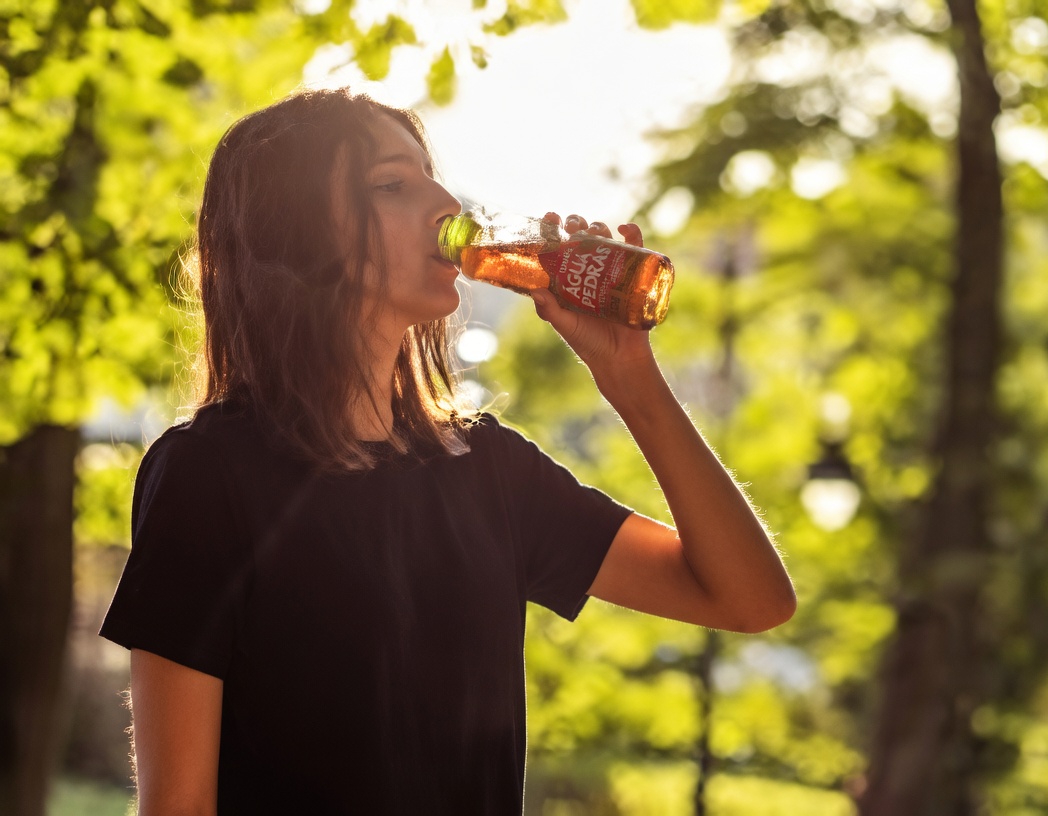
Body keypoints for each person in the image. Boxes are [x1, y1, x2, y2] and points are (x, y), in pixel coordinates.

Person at [99, 87, 794, 815]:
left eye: (432, 176)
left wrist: (631, 378)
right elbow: (176, 807)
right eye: (392, 185)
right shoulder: (209, 473)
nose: (443, 203)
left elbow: (750, 599)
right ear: (296, 230)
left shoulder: (489, 470)